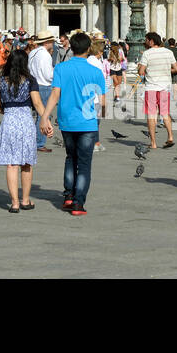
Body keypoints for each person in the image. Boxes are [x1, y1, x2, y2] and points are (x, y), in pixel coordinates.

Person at [41, 31, 104, 216]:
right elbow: (103, 101)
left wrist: (45, 116)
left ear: (72, 47)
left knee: (70, 157)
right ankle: (78, 203)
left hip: (67, 121)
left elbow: (55, 95)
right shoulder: (96, 71)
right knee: (84, 164)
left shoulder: (61, 68)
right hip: (88, 122)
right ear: (88, 48)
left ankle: (68, 195)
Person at [0, 47, 48, 212]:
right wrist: (46, 120)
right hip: (25, 120)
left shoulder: (1, 81)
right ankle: (25, 200)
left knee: (11, 164)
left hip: (9, 120)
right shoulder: (30, 80)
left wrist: (8, 111)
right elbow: (37, 104)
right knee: (26, 162)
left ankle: (14, 203)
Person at [137, 32, 177, 148]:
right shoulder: (168, 52)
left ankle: (153, 143)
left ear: (151, 41)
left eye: (146, 40)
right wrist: (164, 71)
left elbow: (141, 72)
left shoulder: (147, 53)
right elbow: (176, 69)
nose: (145, 42)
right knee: (165, 113)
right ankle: (170, 136)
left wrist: (141, 68)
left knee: (151, 115)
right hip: (165, 87)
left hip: (151, 88)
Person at [28, 31, 56, 152]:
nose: (53, 43)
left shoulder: (33, 52)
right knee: (44, 115)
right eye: (51, 41)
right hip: (43, 86)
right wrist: (56, 72)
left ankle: (33, 140)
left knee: (36, 114)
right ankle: (39, 143)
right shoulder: (45, 55)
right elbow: (48, 75)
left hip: (33, 84)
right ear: (46, 42)